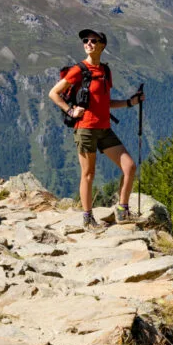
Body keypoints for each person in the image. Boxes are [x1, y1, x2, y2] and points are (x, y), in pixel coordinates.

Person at [48, 29, 145, 230]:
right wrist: (71, 110)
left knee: (129, 167)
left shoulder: (105, 71)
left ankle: (122, 211)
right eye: (86, 40)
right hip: (85, 129)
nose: (89, 43)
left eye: (94, 40)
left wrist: (129, 102)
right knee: (88, 174)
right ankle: (87, 219)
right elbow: (54, 93)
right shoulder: (78, 70)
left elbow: (105, 102)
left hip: (104, 128)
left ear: (102, 45)